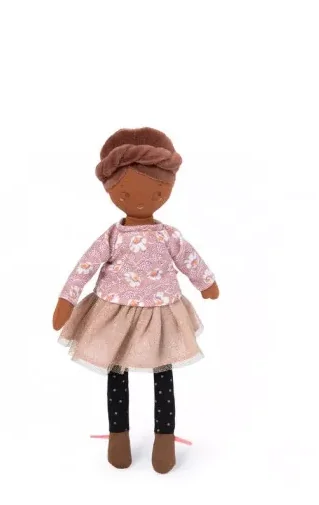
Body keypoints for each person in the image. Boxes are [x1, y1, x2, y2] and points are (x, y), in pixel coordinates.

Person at [52, 127, 219, 474]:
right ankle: (119, 436)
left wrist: (206, 282)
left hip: (160, 312)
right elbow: (86, 265)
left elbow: (188, 258)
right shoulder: (112, 236)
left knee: (163, 373)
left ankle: (164, 439)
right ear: (112, 190)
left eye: (156, 191)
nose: (141, 200)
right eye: (126, 192)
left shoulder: (168, 235)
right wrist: (67, 298)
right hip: (115, 312)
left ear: (168, 189)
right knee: (117, 371)